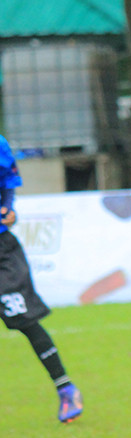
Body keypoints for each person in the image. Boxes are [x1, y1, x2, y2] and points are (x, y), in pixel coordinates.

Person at [1, 134, 83, 422]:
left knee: (24, 320)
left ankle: (65, 388)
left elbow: (8, 183)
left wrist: (9, 209)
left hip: (2, 252)